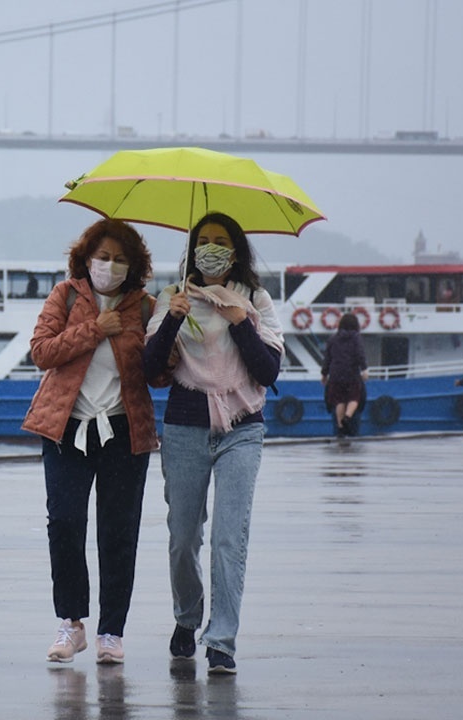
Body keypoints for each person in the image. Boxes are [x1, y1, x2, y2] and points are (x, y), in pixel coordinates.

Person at [142, 212, 284, 675]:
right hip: (185, 427)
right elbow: (147, 369)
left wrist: (241, 321)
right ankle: (187, 617)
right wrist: (171, 322)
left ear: (236, 251)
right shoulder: (172, 298)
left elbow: (268, 372)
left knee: (228, 539)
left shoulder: (256, 300)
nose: (211, 249)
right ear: (191, 249)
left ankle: (221, 639)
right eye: (203, 240)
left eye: (221, 241)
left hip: (243, 429)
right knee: (184, 538)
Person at [22, 218, 162, 665]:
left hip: (124, 430)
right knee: (64, 524)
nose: (110, 265)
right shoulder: (65, 296)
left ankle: (111, 631)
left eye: (120, 259)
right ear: (85, 259)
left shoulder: (145, 308)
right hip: (68, 428)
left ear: (134, 266)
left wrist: (172, 325)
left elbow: (160, 375)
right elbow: (41, 350)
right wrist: (95, 329)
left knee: (118, 532)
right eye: (102, 257)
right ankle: (71, 624)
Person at [320, 311, 369, 438]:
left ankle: (341, 427)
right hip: (351, 373)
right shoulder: (356, 338)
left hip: (335, 375)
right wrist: (364, 369)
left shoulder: (333, 339)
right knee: (354, 398)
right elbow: (360, 354)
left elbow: (327, 358)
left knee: (339, 400)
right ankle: (347, 417)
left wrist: (324, 374)